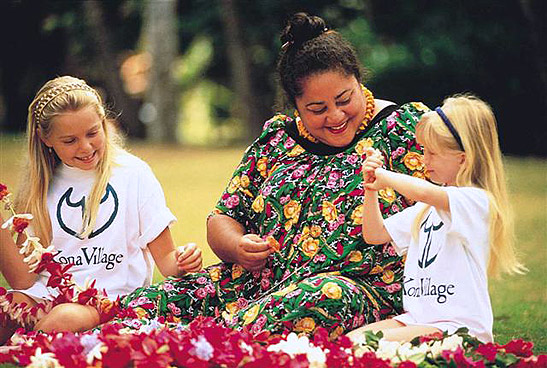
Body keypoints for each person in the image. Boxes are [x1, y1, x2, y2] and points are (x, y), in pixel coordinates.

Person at [121, 12, 427, 337]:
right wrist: (238, 246)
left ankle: (202, 345)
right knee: (154, 302)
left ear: (359, 81)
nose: (336, 116)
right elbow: (222, 218)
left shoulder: (405, 130)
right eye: (317, 109)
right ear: (295, 105)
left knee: (321, 300)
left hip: (357, 290)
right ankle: (110, 342)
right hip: (254, 287)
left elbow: (452, 208)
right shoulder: (278, 139)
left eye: (344, 99)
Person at [0, 76, 202, 344]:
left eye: (93, 133)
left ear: (104, 123)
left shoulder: (133, 174)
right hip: (49, 295)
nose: (85, 147)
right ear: (45, 138)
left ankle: (26, 347)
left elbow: (167, 261)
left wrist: (183, 261)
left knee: (63, 319)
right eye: (70, 141)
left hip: (108, 300)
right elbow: (25, 281)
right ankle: (27, 345)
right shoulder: (39, 188)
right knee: (6, 310)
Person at [346, 95, 524, 343]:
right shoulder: (426, 210)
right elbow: (374, 235)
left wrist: (384, 175)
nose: (424, 160)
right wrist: (371, 189)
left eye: (432, 153)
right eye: (423, 151)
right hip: (418, 319)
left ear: (462, 157)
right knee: (349, 340)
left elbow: (425, 191)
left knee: (363, 345)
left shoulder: (476, 202)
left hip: (459, 328)